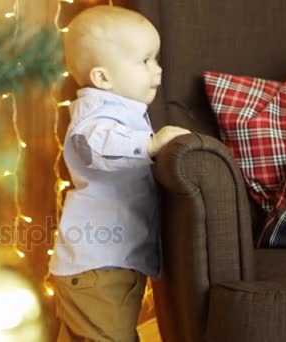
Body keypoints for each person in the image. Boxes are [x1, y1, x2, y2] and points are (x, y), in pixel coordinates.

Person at [48, 5, 190, 342]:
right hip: (98, 266)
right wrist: (150, 145)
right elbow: (96, 146)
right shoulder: (95, 117)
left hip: (107, 264)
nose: (157, 70)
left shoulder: (122, 112)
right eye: (145, 61)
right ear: (103, 77)